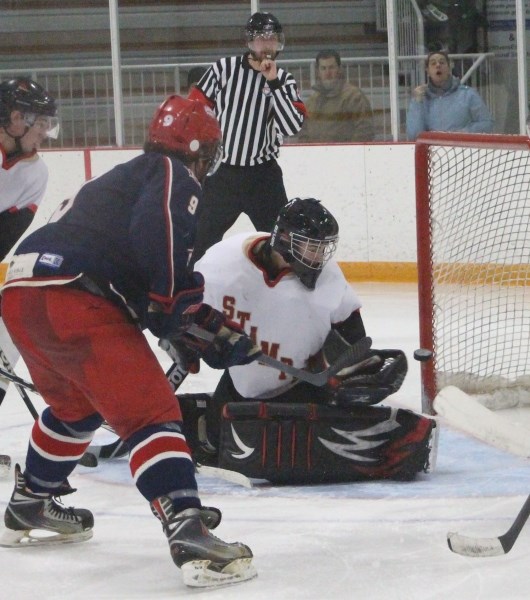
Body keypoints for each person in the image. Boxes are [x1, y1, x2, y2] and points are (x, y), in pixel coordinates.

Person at [0, 95, 261, 588]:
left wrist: (188, 322)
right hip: (72, 295)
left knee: (76, 407)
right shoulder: (173, 174)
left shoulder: (125, 175)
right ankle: (189, 529)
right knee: (150, 412)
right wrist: (180, 306)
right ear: (199, 149)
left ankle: (31, 503)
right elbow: (156, 238)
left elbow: (130, 265)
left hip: (21, 294)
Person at [172, 198, 437, 485]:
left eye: (324, 249)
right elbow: (183, 310)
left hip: (304, 388)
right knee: (216, 438)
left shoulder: (328, 279)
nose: (320, 257)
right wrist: (192, 342)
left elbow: (354, 336)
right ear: (284, 239)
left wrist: (346, 371)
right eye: (312, 247)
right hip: (242, 386)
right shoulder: (222, 263)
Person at [188, 11, 306, 265]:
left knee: (283, 248)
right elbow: (195, 110)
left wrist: (272, 82)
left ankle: (285, 298)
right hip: (222, 176)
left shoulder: (284, 80)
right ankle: (194, 298)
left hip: (263, 178)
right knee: (201, 243)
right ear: (250, 42)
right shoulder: (223, 70)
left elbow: (291, 126)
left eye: (272, 38)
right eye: (262, 38)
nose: (268, 44)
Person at [0, 77, 59, 413]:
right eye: (42, 122)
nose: (46, 132)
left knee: (9, 328)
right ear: (16, 119)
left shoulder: (35, 173)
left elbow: (4, 237)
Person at [406, 50, 494, 141]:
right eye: (433, 63)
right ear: (427, 71)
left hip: (463, 151)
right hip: (432, 152)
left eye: (442, 62)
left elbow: (487, 123)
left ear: (449, 67)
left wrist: (465, 133)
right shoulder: (421, 99)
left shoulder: (467, 94)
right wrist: (417, 103)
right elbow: (414, 135)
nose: (438, 65)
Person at [299, 50, 375, 143]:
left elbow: (365, 131)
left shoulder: (354, 97)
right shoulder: (312, 101)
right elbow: (303, 133)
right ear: (318, 72)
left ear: (339, 69)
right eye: (323, 68)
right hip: (316, 156)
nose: (328, 73)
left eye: (331, 67)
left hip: (345, 156)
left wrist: (348, 153)